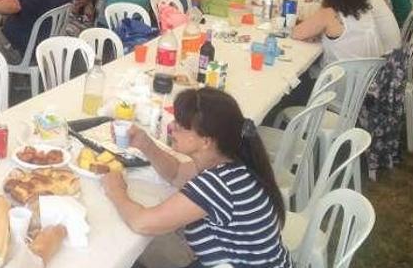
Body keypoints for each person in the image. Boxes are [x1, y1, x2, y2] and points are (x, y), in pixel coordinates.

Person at [102, 88, 290, 268]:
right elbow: (176, 174)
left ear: (206, 141)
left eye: (181, 126)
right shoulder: (232, 159)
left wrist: (116, 191)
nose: (171, 127)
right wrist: (144, 143)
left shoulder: (218, 184)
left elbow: (142, 223)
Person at [291, 0, 382, 68]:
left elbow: (296, 33)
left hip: (337, 78)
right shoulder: (366, 14)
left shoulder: (330, 13)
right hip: (367, 78)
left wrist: (322, 9)